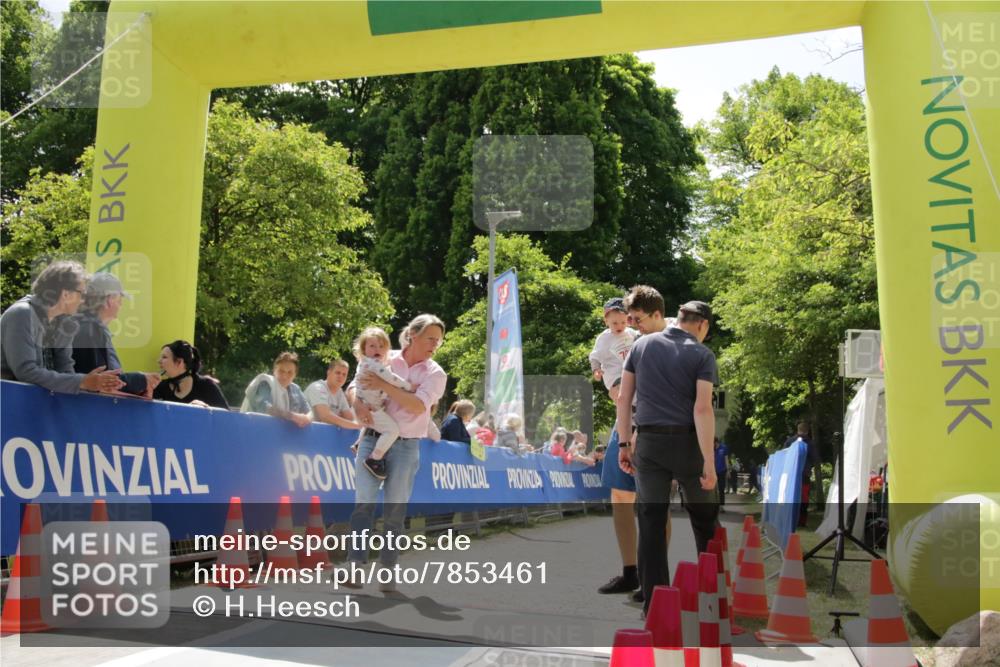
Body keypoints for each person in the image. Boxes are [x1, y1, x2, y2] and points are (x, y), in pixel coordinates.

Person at [617, 290, 720, 614]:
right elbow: (702, 410)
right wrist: (708, 462)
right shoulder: (702, 355)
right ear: (702, 325)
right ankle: (710, 598)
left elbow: (624, 399)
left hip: (648, 443)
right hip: (687, 443)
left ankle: (655, 603)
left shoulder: (641, 346)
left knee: (650, 520)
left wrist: (623, 443)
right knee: (705, 521)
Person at [342, 314, 446, 592]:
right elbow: (356, 384)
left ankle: (387, 570)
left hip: (406, 446)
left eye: (439, 340)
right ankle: (354, 566)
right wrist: (357, 405)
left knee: (394, 511)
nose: (435, 344)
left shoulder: (436, 374)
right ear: (412, 334)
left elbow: (416, 407)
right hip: (371, 438)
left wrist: (385, 386)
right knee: (363, 502)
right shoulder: (385, 355)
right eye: (430, 338)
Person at [1, 260, 124, 394]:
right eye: (81, 294)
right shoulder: (22, 314)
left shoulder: (66, 322)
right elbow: (26, 372)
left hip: (36, 404)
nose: (83, 300)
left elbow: (65, 368)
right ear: (66, 294)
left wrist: (90, 383)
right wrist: (82, 382)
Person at [71, 272, 160, 397]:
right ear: (108, 300)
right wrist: (141, 380)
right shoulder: (91, 331)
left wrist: (138, 387)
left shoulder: (86, 327)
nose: (121, 304)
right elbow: (100, 385)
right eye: (120, 299)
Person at [349, 327, 416, 480]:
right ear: (364, 349)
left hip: (370, 404)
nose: (377, 349)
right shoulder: (374, 365)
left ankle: (359, 443)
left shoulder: (365, 363)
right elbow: (391, 379)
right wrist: (408, 386)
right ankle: (375, 458)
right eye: (372, 346)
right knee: (392, 430)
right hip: (370, 407)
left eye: (381, 346)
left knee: (370, 423)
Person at [241, 351, 311, 427]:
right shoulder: (265, 382)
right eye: (281, 371)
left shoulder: (296, 389)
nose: (284, 376)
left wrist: (307, 418)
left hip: (280, 436)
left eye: (290, 372)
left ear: (295, 375)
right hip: (251, 429)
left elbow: (310, 412)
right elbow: (265, 408)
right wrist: (293, 416)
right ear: (274, 370)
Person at [153, 340, 230, 409]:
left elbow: (227, 419)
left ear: (179, 362)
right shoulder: (160, 387)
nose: (159, 361)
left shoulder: (206, 386)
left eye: (164, 357)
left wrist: (207, 410)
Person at [305, 358, 360, 430]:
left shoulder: (340, 393)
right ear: (329, 373)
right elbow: (325, 417)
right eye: (338, 373)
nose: (341, 376)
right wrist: (355, 425)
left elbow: (349, 418)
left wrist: (353, 423)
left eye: (344, 374)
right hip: (305, 432)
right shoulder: (317, 387)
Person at [785, 421, 822, 526]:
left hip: (790, 474)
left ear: (798, 430)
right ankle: (801, 521)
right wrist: (809, 466)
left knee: (791, 497)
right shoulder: (810, 443)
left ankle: (790, 519)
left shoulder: (789, 441)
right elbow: (816, 459)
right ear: (807, 431)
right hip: (804, 475)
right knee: (803, 499)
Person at [714, 438, 729, 507]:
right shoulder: (711, 449)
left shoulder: (723, 448)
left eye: (713, 443)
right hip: (713, 472)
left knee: (721, 488)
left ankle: (721, 506)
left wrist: (728, 470)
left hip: (722, 471)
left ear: (716, 442)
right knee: (713, 489)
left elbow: (726, 459)